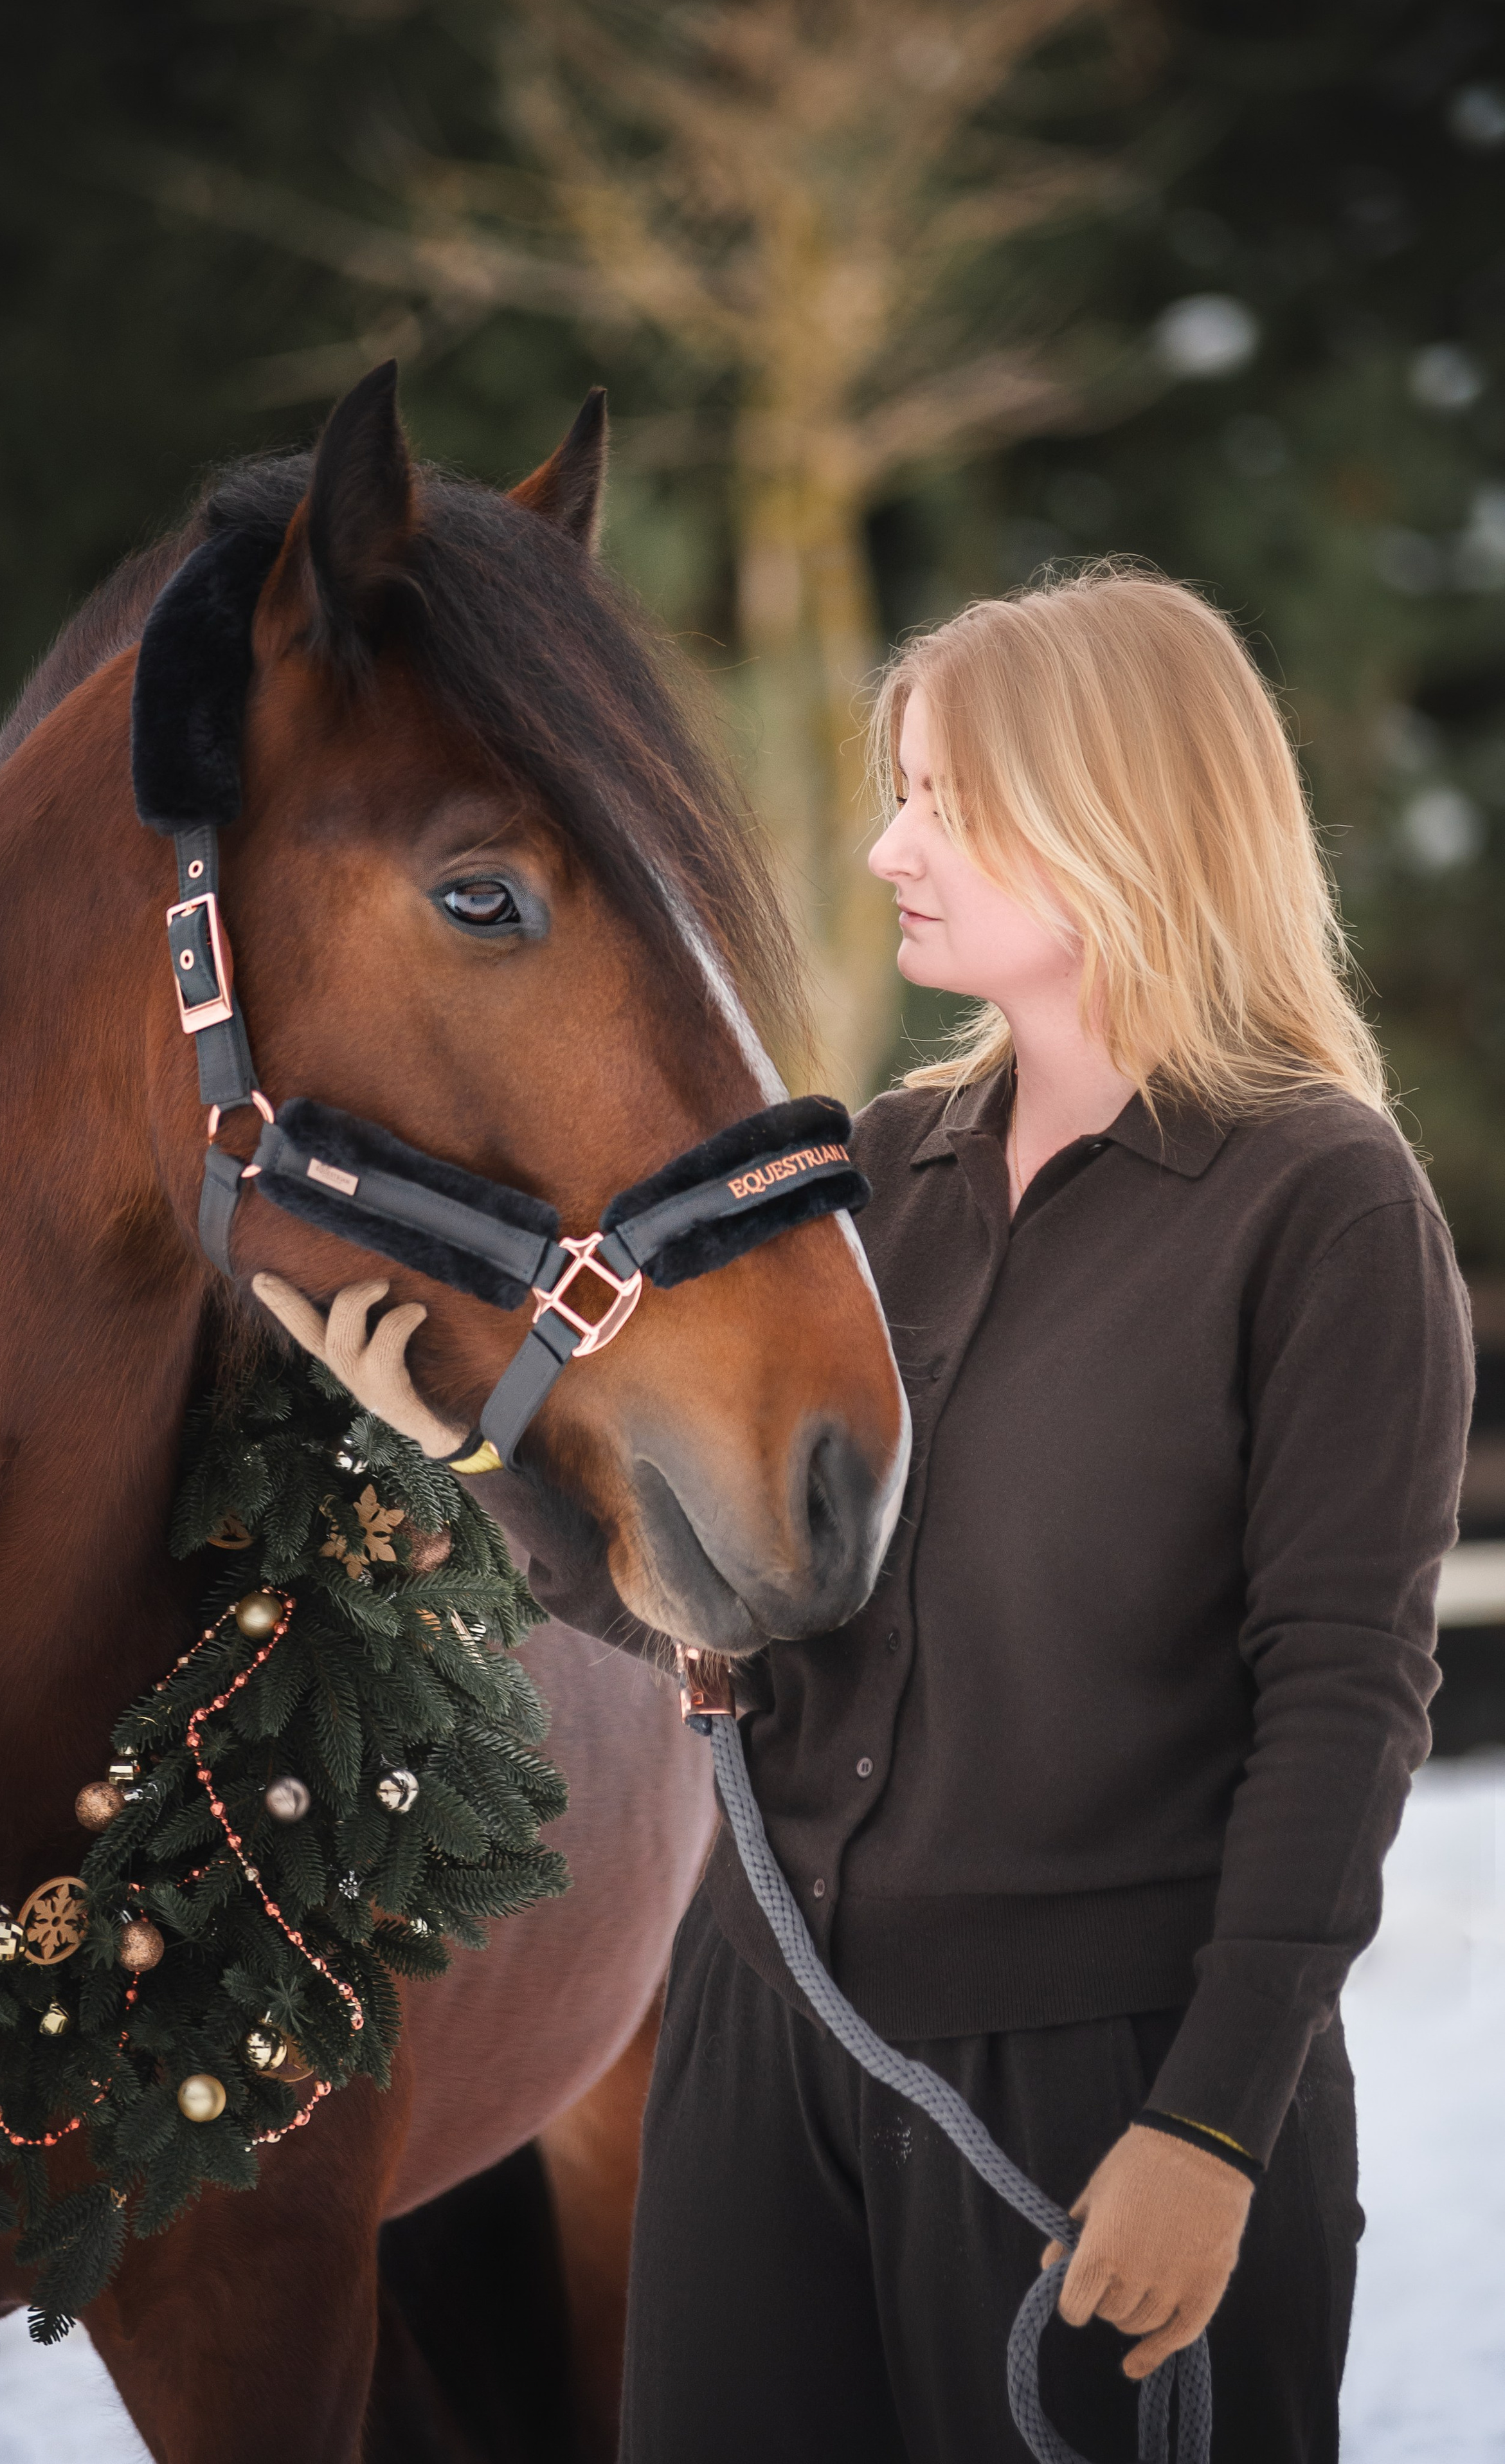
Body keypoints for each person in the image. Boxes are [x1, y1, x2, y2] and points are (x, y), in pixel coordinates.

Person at [609, 566, 1473, 2462]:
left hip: (1105, 2083)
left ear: (1117, 810)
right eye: (899, 789)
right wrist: (459, 1436)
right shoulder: (870, 1175)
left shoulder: (1322, 1208)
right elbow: (704, 1575)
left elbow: (1344, 1700)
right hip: (764, 2032)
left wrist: (1214, 2123)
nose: (889, 846)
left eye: (947, 798)